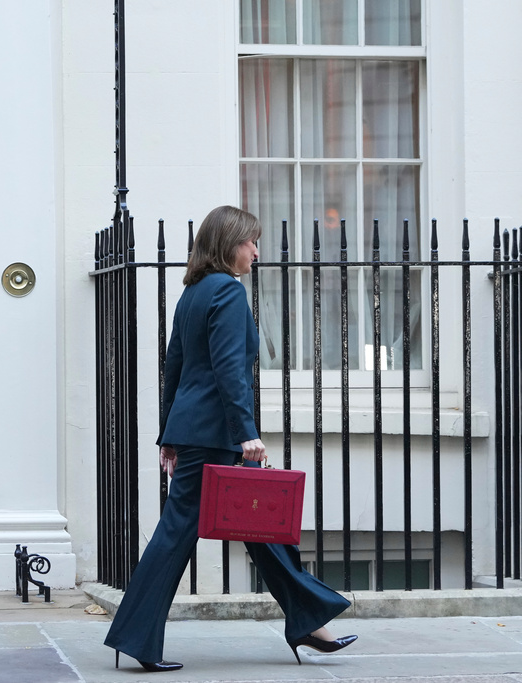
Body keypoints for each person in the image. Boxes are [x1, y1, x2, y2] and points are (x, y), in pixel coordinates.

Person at [103, 205, 358, 673]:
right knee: (179, 532)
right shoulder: (227, 291)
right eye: (250, 242)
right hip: (218, 434)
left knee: (260, 531)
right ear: (228, 245)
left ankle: (307, 619)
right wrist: (247, 435)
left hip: (194, 430)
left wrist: (169, 435)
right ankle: (136, 635)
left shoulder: (194, 293)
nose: (256, 251)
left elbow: (174, 370)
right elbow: (227, 371)